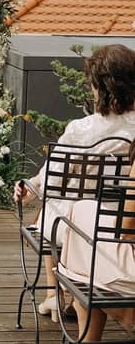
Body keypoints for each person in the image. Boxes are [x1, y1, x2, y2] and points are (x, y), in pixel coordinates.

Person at [14, 44, 135, 320]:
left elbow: (51, 181)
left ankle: (53, 295)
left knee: (51, 210)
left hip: (83, 224)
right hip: (126, 221)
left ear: (98, 88)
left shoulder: (81, 130)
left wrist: (29, 188)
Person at [58, 139, 135, 341]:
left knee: (82, 213)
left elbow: (126, 231)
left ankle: (120, 318)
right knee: (88, 225)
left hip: (130, 272)